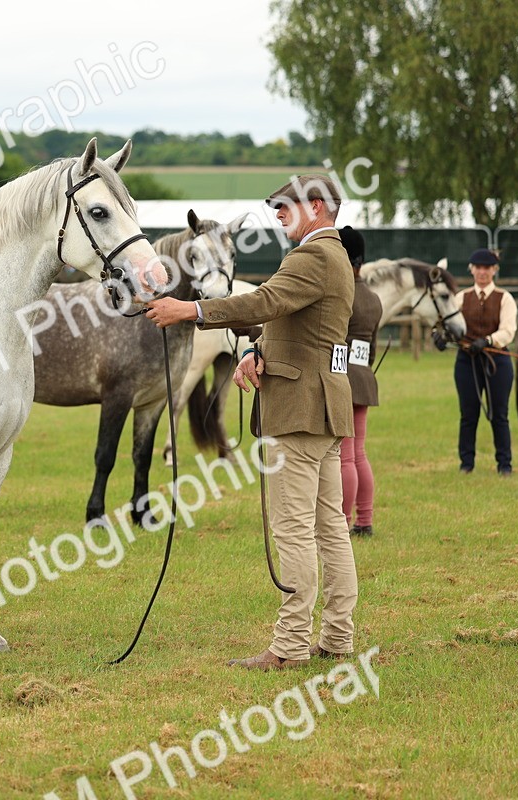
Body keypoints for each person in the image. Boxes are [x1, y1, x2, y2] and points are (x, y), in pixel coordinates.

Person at [144, 175, 358, 670]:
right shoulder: (336, 255)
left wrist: (191, 308)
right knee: (329, 528)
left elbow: (264, 302)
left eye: (287, 205)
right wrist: (258, 351)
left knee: (294, 530)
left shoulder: (312, 256)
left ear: (319, 207)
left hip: (301, 409)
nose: (278, 213)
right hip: (323, 405)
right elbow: (296, 323)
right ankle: (338, 637)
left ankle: (289, 647)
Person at [438, 249, 517, 475]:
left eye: (487, 268)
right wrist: (442, 338)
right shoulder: (461, 298)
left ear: (494, 270)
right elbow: (449, 326)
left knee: (499, 414)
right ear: (472, 270)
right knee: (468, 414)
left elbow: (508, 330)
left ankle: (504, 464)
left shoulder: (505, 299)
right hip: (467, 362)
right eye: (478, 268)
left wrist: (489, 340)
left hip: (497, 362)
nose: (482, 272)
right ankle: (466, 464)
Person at [337, 227, 382, 537]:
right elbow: (372, 347)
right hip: (364, 377)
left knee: (345, 456)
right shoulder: (372, 297)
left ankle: (342, 522)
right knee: (359, 454)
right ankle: (364, 520)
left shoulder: (342, 293)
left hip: (341, 377)